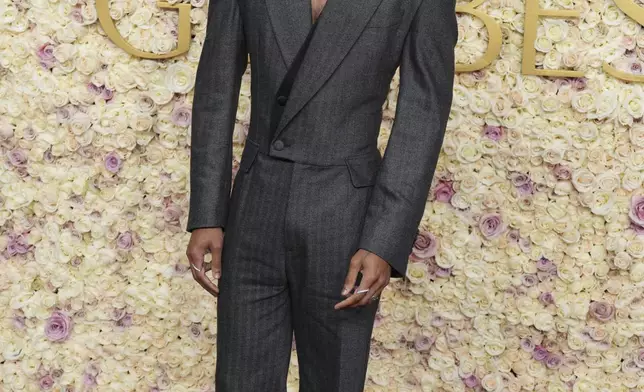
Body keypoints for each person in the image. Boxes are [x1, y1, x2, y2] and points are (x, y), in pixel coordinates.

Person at [185, 0, 458, 390]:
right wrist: (208, 213)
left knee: (336, 381)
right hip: (254, 208)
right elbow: (215, 89)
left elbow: (423, 115)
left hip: (346, 219)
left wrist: (383, 239)